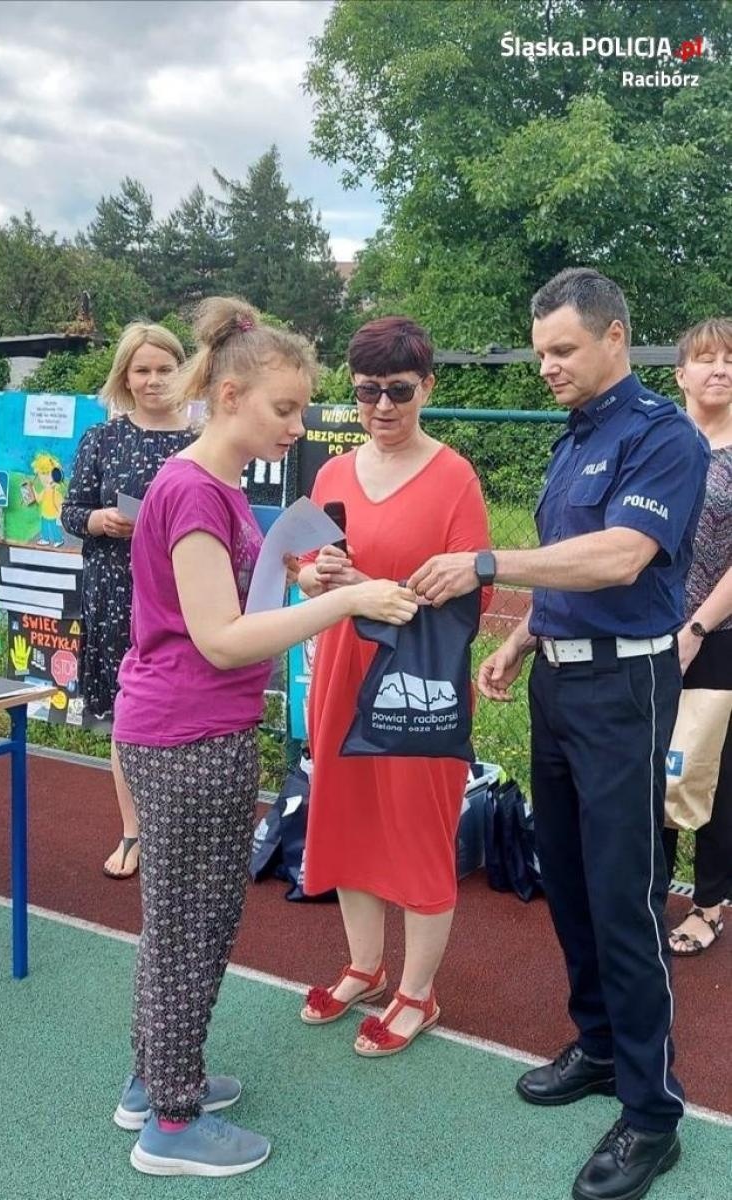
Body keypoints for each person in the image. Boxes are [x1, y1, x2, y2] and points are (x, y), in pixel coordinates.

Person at [409, 268, 709, 1200]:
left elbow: (619, 556)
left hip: (628, 686)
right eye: (539, 352)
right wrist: (523, 636)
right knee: (567, 880)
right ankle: (598, 1044)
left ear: (616, 337)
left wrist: (486, 565)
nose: (547, 368)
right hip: (560, 684)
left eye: (563, 351)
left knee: (624, 894)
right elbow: (569, 568)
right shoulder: (574, 434)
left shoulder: (661, 437)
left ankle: (652, 1114)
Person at [111, 297, 418, 1177]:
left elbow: (228, 611)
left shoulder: (204, 486)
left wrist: (298, 575)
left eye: (303, 407)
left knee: (186, 923)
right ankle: (169, 1123)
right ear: (231, 393)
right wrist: (346, 598)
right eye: (285, 409)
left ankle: (155, 1081)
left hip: (188, 726)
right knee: (190, 928)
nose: (300, 424)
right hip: (187, 733)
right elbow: (218, 638)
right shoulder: (196, 490)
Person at [295, 317, 491, 1059]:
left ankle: (418, 991)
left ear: (426, 387)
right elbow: (308, 565)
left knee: (416, 828)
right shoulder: (332, 474)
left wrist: (373, 585)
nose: (381, 407)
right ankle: (365, 966)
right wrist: (319, 576)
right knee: (344, 820)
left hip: (417, 684)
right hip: (343, 668)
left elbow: (463, 593)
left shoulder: (454, 477)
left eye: (398, 391)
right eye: (367, 391)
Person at [60, 323, 193, 879]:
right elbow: (70, 513)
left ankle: (182, 832)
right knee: (127, 716)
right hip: (116, 590)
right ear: (125, 376)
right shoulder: (103, 438)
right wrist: (98, 520)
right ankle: (134, 831)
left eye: (165, 369)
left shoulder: (201, 441)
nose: (154, 381)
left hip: (186, 592)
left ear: (182, 371)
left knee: (187, 714)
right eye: (143, 370)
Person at [661, 318, 732, 955]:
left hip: (719, 633)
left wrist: (697, 627)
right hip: (648, 628)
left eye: (730, 360)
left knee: (710, 770)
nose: (719, 370)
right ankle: (650, 895)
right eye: (705, 359)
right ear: (680, 373)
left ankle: (708, 903)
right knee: (650, 764)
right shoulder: (661, 444)